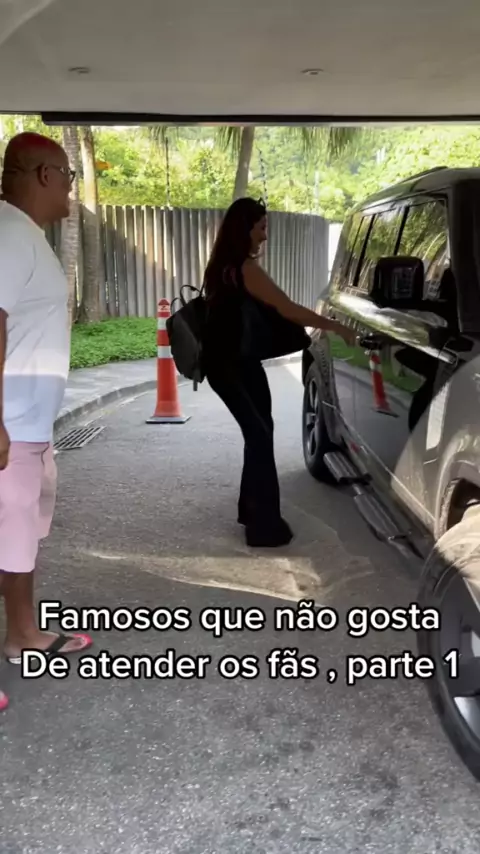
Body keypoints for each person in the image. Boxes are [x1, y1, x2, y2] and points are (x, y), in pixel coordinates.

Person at [202, 197, 356, 548]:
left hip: (234, 364)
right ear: (245, 229)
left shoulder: (221, 265)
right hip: (231, 366)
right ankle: (262, 525)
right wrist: (334, 325)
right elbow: (288, 309)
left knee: (261, 433)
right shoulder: (245, 269)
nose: (265, 235)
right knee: (259, 436)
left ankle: (252, 512)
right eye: (261, 227)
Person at [0, 132, 92, 688]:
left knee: (19, 532)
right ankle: (22, 636)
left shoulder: (22, 233)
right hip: (12, 421)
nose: (70, 189)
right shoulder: (11, 234)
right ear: (43, 175)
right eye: (67, 177)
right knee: (12, 533)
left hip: (26, 421)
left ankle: (23, 631)